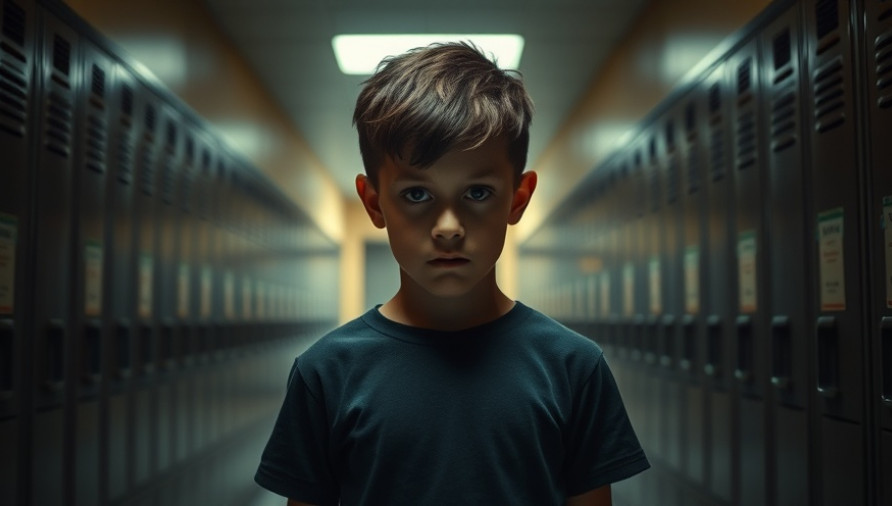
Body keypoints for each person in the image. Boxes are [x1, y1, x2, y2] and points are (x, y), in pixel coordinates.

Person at [254, 41, 649, 506]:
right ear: (374, 203)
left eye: (477, 193)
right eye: (417, 195)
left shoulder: (574, 367)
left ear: (518, 199)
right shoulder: (325, 372)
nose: (448, 227)